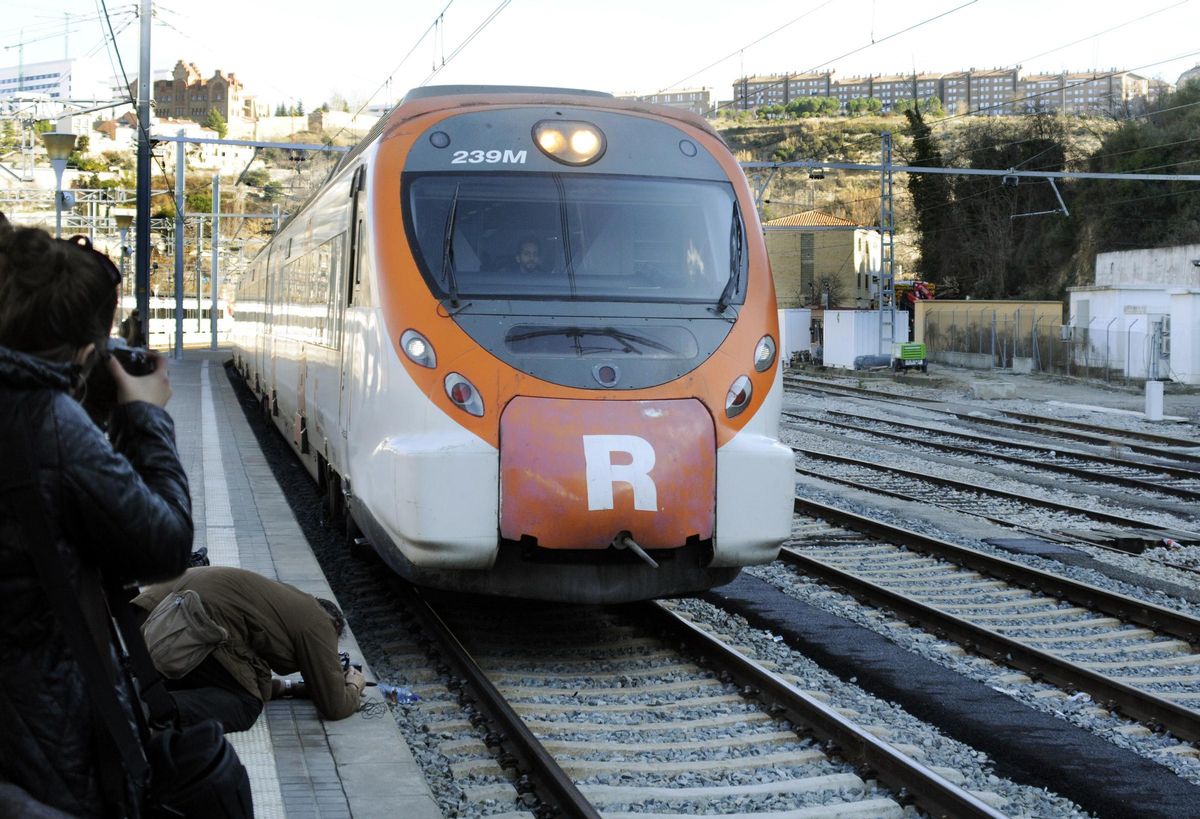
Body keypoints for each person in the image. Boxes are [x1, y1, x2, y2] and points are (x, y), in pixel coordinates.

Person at [0, 214, 193, 817]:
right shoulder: (45, 420)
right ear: (86, 348)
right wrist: (147, 418)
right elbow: (164, 543)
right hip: (44, 738)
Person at [132, 566, 367, 733]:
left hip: (151, 617)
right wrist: (354, 685)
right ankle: (151, 709)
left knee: (220, 683)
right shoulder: (319, 622)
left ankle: (141, 691)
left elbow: (245, 674)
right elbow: (334, 707)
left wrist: (291, 688)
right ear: (333, 626)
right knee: (246, 704)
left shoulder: (283, 603)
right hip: (188, 624)